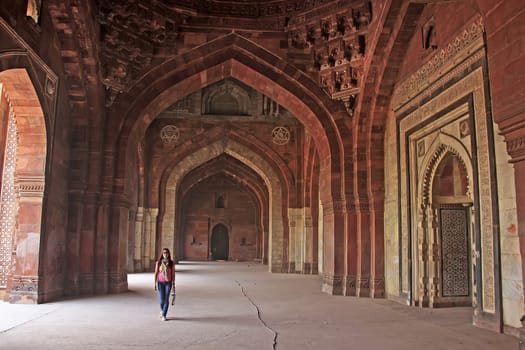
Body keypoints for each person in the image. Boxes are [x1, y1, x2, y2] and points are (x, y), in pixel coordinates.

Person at [154, 248, 176, 321]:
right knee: (161, 300)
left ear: (169, 254)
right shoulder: (159, 262)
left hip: (168, 283)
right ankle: (162, 310)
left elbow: (173, 274)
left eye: (166, 253)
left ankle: (164, 314)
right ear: (162, 254)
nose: (165, 254)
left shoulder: (171, 263)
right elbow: (156, 273)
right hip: (160, 282)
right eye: (164, 253)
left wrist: (173, 284)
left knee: (166, 299)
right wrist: (154, 283)